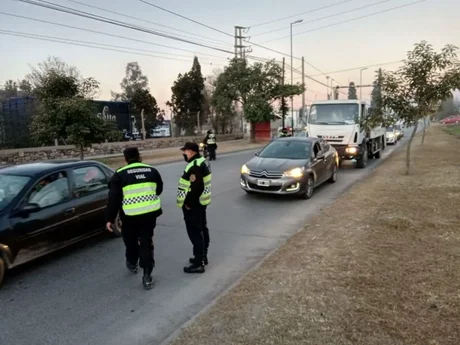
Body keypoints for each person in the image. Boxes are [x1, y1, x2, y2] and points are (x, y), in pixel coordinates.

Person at [105, 147, 163, 290]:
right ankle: (147, 276)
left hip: (130, 217)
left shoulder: (119, 175)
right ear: (139, 157)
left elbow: (113, 199)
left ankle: (132, 262)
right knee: (146, 243)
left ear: (125, 159)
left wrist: (109, 218)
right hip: (149, 215)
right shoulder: (152, 170)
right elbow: (159, 190)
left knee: (130, 241)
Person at [177, 142, 212, 273]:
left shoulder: (195, 165)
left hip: (194, 205)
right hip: (201, 203)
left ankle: (199, 263)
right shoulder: (202, 161)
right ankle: (202, 256)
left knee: (195, 233)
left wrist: (188, 203)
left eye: (185, 151)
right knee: (202, 228)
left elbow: (196, 187)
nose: (183, 154)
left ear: (191, 151)